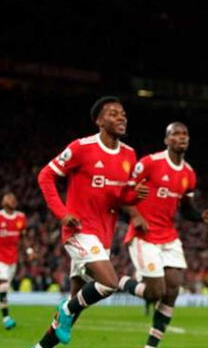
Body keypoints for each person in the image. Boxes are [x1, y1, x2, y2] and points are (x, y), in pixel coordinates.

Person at [33, 96, 148, 347]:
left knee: (78, 304)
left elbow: (119, 196)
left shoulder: (129, 155)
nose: (121, 117)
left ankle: (41, 346)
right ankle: (63, 309)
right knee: (108, 283)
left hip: (103, 234)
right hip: (79, 230)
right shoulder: (81, 147)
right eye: (114, 113)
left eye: (123, 113)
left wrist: (133, 196)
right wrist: (62, 214)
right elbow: (45, 176)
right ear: (99, 121)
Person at [118, 122, 208, 348]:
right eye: (176, 134)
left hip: (169, 236)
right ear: (166, 140)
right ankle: (117, 282)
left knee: (172, 289)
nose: (181, 138)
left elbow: (187, 209)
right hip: (144, 235)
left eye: (185, 134)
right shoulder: (150, 163)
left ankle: (151, 345)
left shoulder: (188, 174)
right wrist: (135, 216)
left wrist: (202, 216)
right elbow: (125, 192)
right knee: (155, 292)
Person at [0, 192, 27, 330]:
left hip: (12, 259)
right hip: (0, 258)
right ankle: (6, 318)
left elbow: (23, 237)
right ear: (3, 201)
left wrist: (29, 251)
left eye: (13, 197)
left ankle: (5, 317)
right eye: (8, 197)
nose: (11, 199)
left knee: (3, 290)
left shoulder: (20, 217)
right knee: (3, 287)